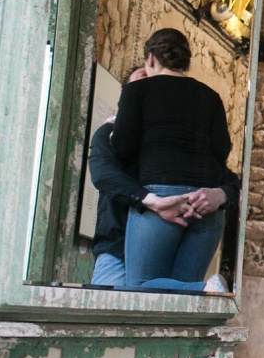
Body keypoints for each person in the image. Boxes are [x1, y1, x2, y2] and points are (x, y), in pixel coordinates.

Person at [88, 66, 241, 289]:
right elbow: (103, 174)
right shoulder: (109, 133)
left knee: (171, 310)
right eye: (144, 80)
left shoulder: (179, 146)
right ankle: (203, 290)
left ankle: (202, 290)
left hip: (176, 245)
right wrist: (153, 201)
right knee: (111, 313)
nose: (155, 85)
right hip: (118, 246)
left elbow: (229, 179)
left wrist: (221, 194)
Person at [110, 27, 233, 295]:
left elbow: (122, 147)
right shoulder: (211, 97)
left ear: (151, 58)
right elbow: (222, 150)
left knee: (140, 286)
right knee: (180, 299)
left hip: (161, 197)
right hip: (206, 204)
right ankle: (206, 287)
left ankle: (205, 287)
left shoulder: (138, 90)